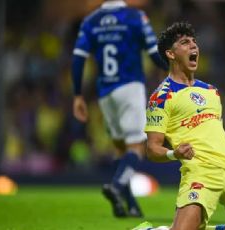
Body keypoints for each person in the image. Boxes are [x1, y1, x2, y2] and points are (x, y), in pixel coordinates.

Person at [144, 21, 225, 230]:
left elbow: (217, 141)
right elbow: (152, 149)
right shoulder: (161, 97)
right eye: (185, 43)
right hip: (201, 173)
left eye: (194, 42)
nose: (194, 46)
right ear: (171, 54)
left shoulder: (211, 92)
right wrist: (174, 153)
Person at [71, 0, 168, 218]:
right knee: (136, 148)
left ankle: (131, 206)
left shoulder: (91, 21)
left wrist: (77, 94)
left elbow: (78, 59)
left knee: (120, 149)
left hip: (105, 93)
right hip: (130, 86)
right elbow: (153, 52)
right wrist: (170, 71)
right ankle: (115, 186)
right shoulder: (135, 17)